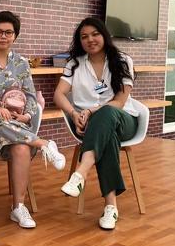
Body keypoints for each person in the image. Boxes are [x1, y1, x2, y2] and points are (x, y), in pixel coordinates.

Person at [0, 11, 66, 229]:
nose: (3, 36)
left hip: (14, 124)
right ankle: (42, 143)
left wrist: (27, 115)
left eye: (8, 32)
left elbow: (30, 96)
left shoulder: (21, 63)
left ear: (15, 36)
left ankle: (18, 207)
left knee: (21, 148)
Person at [53, 17, 139, 230]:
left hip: (123, 119)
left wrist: (92, 110)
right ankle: (111, 208)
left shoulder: (122, 60)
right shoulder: (74, 63)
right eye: (84, 37)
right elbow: (58, 94)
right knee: (106, 137)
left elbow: (119, 102)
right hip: (89, 124)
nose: (90, 39)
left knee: (106, 113)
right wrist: (74, 113)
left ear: (104, 35)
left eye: (95, 34)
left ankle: (81, 173)